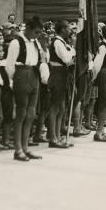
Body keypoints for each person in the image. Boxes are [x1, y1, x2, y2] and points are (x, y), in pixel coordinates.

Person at [5, 16, 44, 161]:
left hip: (34, 76)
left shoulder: (35, 43)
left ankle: (26, 147)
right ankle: (18, 149)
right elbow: (9, 66)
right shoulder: (16, 42)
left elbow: (39, 60)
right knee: (21, 115)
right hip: (21, 76)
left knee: (30, 115)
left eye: (39, 33)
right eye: (36, 32)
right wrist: (17, 81)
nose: (37, 35)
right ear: (28, 29)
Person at [47, 20, 75, 148]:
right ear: (62, 29)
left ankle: (58, 136)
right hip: (57, 74)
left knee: (62, 108)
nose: (70, 30)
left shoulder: (63, 43)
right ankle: (53, 138)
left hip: (63, 75)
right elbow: (67, 59)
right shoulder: (57, 42)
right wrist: (73, 51)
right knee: (55, 107)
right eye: (68, 28)